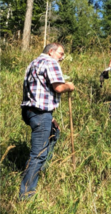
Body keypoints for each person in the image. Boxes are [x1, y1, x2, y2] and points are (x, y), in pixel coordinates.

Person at [19, 43, 75, 200]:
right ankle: (26, 195)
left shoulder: (34, 62)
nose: (62, 57)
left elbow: (37, 89)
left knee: (54, 132)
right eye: (60, 53)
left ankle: (39, 171)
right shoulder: (51, 62)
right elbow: (58, 87)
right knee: (38, 154)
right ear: (51, 51)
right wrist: (69, 86)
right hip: (40, 112)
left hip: (31, 111)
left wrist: (50, 116)